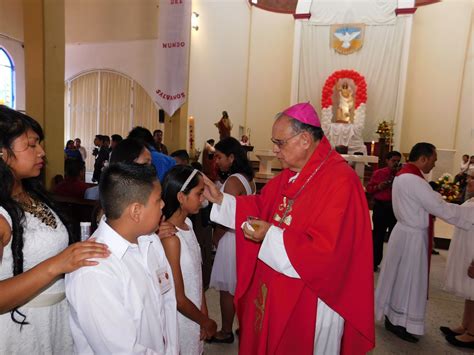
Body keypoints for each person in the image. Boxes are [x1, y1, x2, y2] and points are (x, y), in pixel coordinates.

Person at [202, 103, 374, 354]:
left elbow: (328, 252)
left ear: (305, 139)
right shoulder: (290, 175)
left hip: (313, 297)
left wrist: (270, 235)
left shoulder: (341, 182)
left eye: (280, 143)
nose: (275, 150)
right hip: (276, 290)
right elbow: (260, 206)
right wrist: (221, 199)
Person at [0, 105, 109, 354]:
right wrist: (56, 265)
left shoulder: (33, 196)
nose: (42, 152)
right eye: (31, 145)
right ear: (2, 153)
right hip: (20, 329)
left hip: (56, 318)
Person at [65, 163, 179, 354]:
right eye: (158, 200)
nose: (163, 205)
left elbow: (167, 302)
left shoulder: (150, 241)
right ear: (136, 211)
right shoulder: (94, 270)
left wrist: (172, 349)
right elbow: (122, 349)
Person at [375, 143, 474, 343]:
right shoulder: (415, 181)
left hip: (403, 233)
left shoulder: (403, 175)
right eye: (433, 160)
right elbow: (439, 207)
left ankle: (392, 317)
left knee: (398, 277)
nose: (433, 165)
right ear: (423, 159)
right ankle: (399, 321)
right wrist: (470, 212)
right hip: (411, 238)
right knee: (408, 280)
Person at [160, 165, 217, 354]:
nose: (203, 199)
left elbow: (196, 276)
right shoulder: (170, 238)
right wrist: (206, 321)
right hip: (181, 317)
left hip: (195, 313)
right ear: (181, 197)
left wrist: (204, 312)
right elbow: (178, 298)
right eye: (199, 193)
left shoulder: (189, 225)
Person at [207, 137, 256, 343]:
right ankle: (244, 328)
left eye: (219, 157)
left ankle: (226, 330)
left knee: (227, 289)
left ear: (232, 157)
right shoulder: (247, 178)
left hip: (231, 238)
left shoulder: (233, 181)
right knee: (241, 286)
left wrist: (215, 238)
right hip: (243, 237)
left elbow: (228, 215)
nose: (216, 161)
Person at [442, 169, 474, 349]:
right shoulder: (471, 199)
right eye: (469, 177)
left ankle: (472, 333)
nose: (469, 181)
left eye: (473, 178)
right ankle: (466, 325)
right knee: (470, 293)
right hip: (468, 252)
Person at [366, 151, 402, 271]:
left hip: (394, 208)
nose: (396, 163)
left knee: (395, 237)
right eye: (393, 161)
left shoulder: (401, 175)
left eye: (398, 161)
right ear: (387, 161)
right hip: (381, 207)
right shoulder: (379, 173)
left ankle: (392, 265)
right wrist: (378, 187)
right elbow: (369, 189)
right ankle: (374, 263)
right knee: (378, 236)